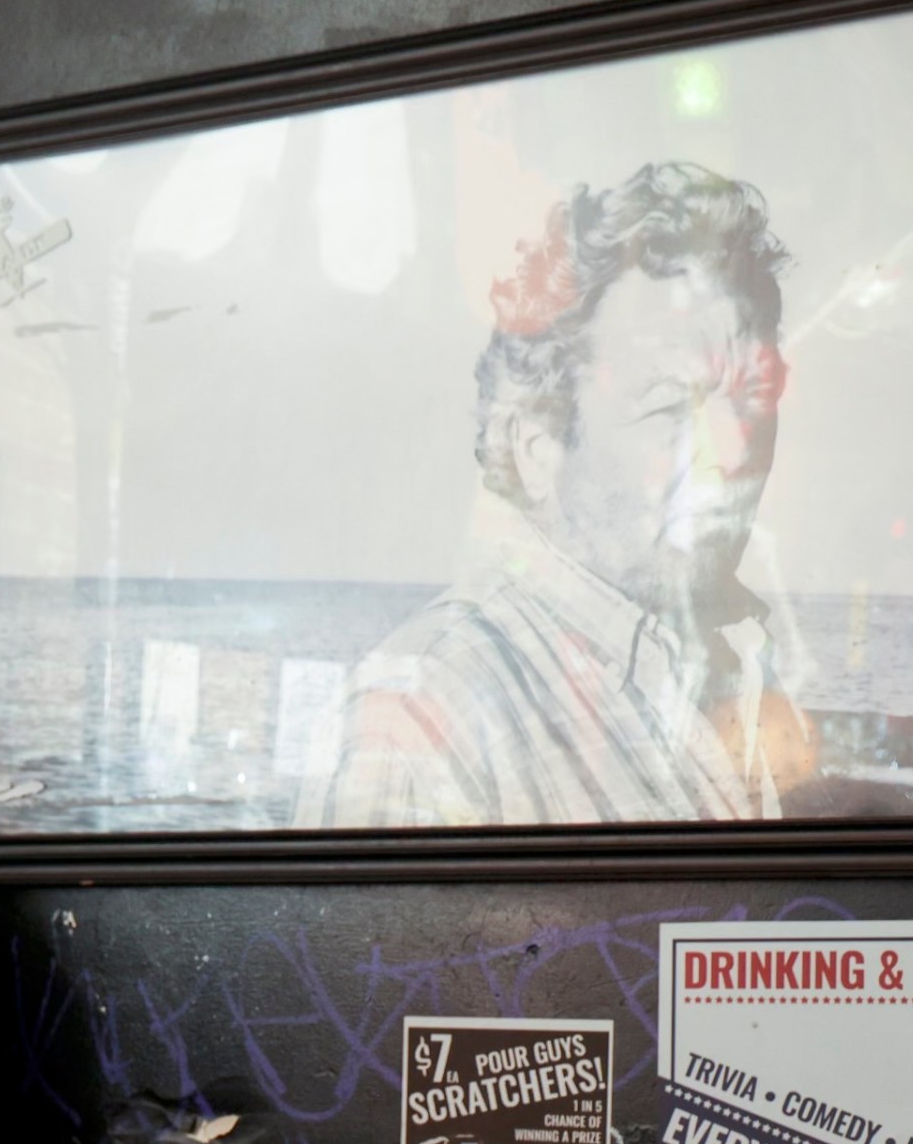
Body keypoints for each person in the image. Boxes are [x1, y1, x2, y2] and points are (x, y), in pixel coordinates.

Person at [306, 161, 823, 830]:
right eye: (668, 408)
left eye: (751, 399)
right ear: (537, 449)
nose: (730, 452)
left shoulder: (738, 673)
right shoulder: (424, 724)